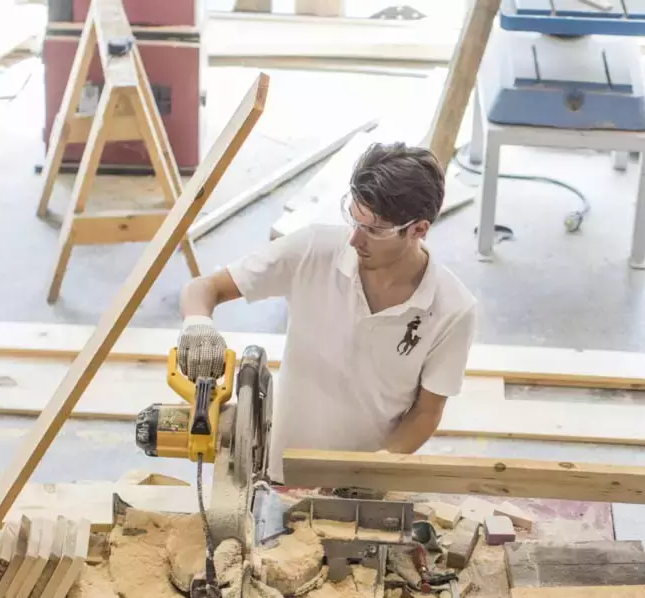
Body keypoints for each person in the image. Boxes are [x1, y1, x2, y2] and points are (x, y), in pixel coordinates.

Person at [175, 142, 477, 481]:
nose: (355, 240)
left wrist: (373, 470)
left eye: (374, 230)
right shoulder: (312, 251)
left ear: (418, 229)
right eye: (354, 219)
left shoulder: (452, 309)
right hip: (280, 469)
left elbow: (426, 412)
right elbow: (204, 288)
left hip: (363, 483)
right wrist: (197, 324)